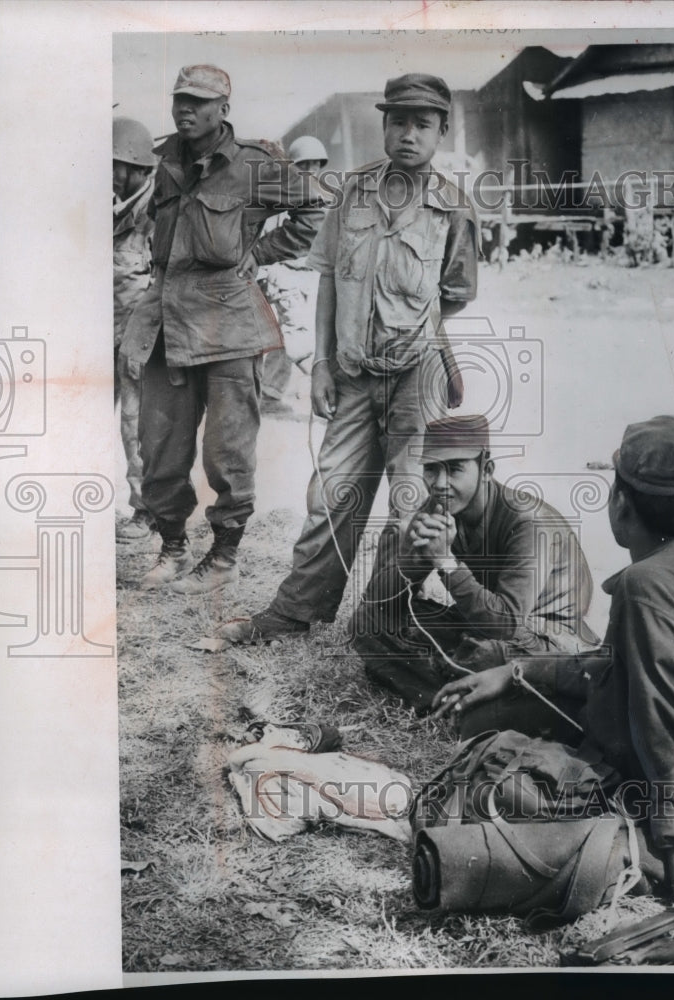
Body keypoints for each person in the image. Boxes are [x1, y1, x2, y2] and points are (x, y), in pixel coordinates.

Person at [432, 415, 674, 947]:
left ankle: (670, 855)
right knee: (497, 705)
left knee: (494, 757)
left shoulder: (645, 585)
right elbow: (620, 669)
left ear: (621, 503)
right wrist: (515, 671)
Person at [217, 73, 478, 644]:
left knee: (414, 499)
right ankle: (295, 611)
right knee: (331, 493)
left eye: (423, 124)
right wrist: (324, 364)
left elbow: (457, 291)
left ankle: (389, 616)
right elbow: (331, 278)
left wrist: (408, 327)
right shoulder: (352, 192)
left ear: (440, 132)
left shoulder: (454, 207)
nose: (409, 134)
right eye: (399, 122)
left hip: (419, 376)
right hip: (355, 375)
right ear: (384, 126)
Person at [120, 65, 326, 593]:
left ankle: (225, 557)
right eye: (180, 99)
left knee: (227, 452)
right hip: (168, 321)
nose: (185, 109)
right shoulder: (161, 161)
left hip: (231, 325)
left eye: (199, 101)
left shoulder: (256, 165)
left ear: (223, 110)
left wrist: (260, 253)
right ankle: (172, 547)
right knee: (160, 446)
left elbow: (315, 208)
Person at [351, 415, 598, 715]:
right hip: (487, 626)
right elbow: (376, 603)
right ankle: (454, 702)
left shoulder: (528, 521)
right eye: (431, 469)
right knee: (367, 623)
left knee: (484, 656)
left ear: (487, 469)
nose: (440, 484)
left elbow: (506, 624)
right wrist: (410, 559)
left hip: (552, 639)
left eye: (455, 469)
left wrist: (444, 561)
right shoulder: (437, 507)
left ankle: (453, 693)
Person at [258, 136, 331, 412]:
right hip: (284, 274)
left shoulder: (322, 195)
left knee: (288, 336)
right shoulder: (282, 195)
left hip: (311, 275)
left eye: (315, 165)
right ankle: (320, 389)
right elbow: (270, 236)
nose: (311, 170)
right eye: (304, 165)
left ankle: (271, 391)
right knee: (295, 337)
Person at [113, 117, 157, 541]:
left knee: (135, 422)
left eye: (115, 166)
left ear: (138, 168)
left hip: (137, 335)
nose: (108, 174)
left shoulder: (157, 210)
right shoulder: (102, 205)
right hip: (96, 331)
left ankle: (145, 511)